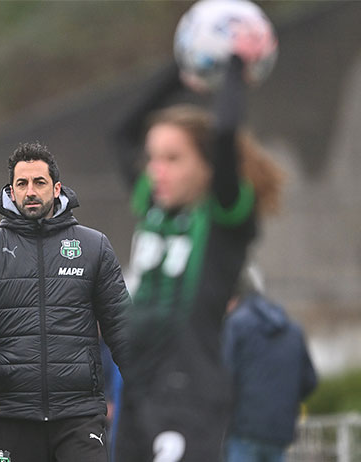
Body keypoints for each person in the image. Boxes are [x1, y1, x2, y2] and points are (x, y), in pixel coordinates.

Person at [113, 43, 286, 460]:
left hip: (187, 392)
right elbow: (121, 134)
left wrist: (233, 66)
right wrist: (181, 70)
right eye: (153, 158)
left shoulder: (223, 218)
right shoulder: (155, 206)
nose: (156, 171)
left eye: (172, 158)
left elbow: (224, 135)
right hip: (139, 385)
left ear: (207, 167)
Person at [0, 142, 130, 462]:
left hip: (79, 413)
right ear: (11, 191)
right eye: (22, 183)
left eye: (39, 182)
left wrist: (145, 382)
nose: (30, 191)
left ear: (56, 188)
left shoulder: (93, 246)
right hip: (13, 413)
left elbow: (121, 324)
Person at [222, 266, 318, 462]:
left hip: (243, 431)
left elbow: (224, 376)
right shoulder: (293, 329)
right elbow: (310, 380)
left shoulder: (236, 324)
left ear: (233, 298)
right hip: (279, 435)